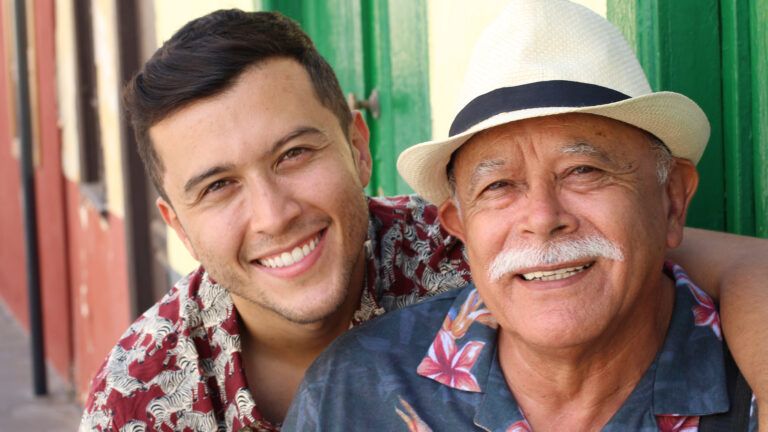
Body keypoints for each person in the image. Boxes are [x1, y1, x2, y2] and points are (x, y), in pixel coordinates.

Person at [80, 7, 767, 432]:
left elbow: (635, 247)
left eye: (293, 154)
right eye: (218, 187)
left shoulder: (452, 239)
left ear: (357, 145)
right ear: (176, 222)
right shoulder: (142, 394)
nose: (273, 214)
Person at [284, 1, 761, 431]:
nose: (542, 217)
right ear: (461, 229)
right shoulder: (353, 396)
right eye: (498, 187)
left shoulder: (752, 379)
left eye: (583, 170)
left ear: (672, 200)